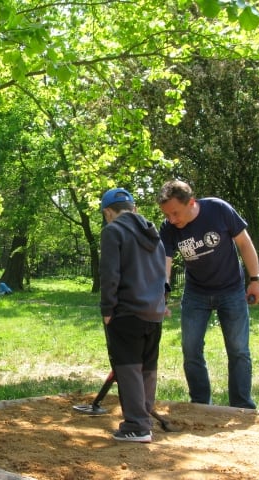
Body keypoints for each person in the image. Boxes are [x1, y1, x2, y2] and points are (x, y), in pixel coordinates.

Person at [157, 180, 259, 409]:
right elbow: (164, 263)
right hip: (196, 294)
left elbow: (244, 243)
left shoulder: (218, 209)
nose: (172, 220)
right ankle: (200, 405)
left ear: (191, 203)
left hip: (231, 290)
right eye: (167, 215)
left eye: (175, 213)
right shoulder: (168, 228)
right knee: (191, 349)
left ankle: (242, 405)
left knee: (238, 350)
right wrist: (161, 294)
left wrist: (255, 280)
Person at [99, 188, 168, 443]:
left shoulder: (113, 231)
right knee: (147, 367)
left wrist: (107, 309)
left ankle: (136, 426)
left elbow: (110, 274)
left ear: (109, 212)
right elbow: (163, 272)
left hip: (127, 312)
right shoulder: (154, 234)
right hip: (154, 312)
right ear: (133, 208)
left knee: (127, 367)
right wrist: (163, 301)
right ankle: (144, 416)